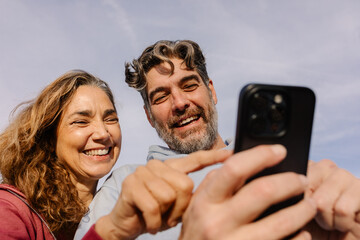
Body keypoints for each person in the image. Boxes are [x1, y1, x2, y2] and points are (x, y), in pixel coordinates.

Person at [75, 40, 360, 239]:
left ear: (211, 92)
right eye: (161, 97)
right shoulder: (125, 187)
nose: (179, 103)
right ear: (149, 116)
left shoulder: (284, 165)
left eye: (189, 85)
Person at [0, 69, 232, 240]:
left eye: (111, 119)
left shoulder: (108, 204)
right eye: (81, 121)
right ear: (50, 138)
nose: (102, 133)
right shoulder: (9, 209)